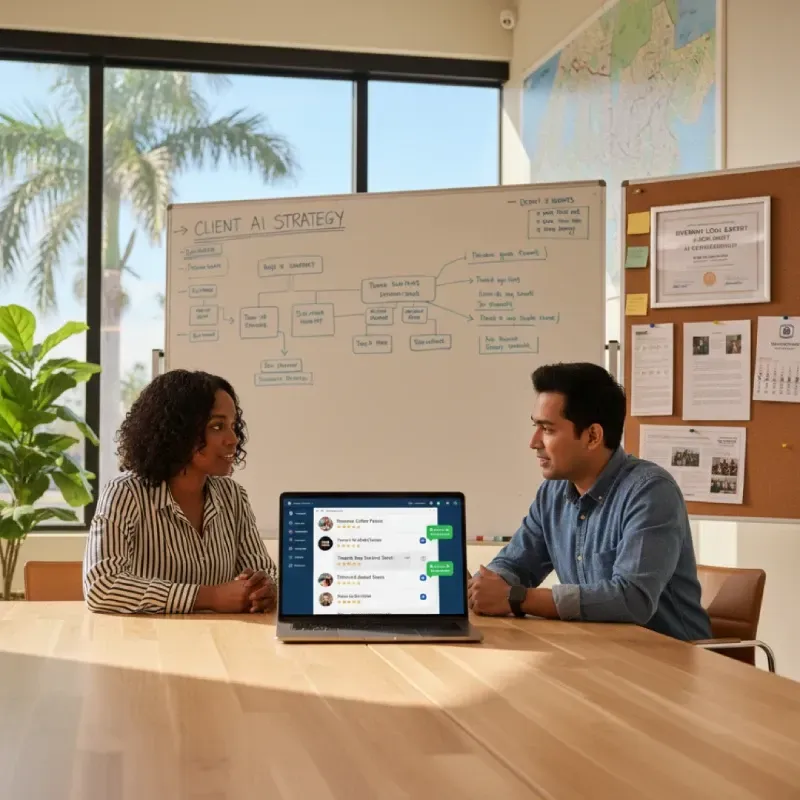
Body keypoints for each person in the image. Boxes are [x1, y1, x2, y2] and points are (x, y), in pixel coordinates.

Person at [468, 362, 711, 642]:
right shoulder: (553, 493)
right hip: (598, 649)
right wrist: (484, 587)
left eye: (547, 429)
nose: (534, 442)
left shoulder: (651, 492)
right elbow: (516, 565)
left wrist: (516, 598)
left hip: (670, 659)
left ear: (593, 436)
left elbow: (632, 600)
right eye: (536, 427)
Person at [83, 369, 278, 615]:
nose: (233, 439)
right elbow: (102, 587)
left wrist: (266, 589)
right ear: (178, 431)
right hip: (147, 647)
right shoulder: (125, 493)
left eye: (233, 426)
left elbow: (263, 571)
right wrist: (209, 596)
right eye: (217, 426)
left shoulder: (233, 496)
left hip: (222, 644)